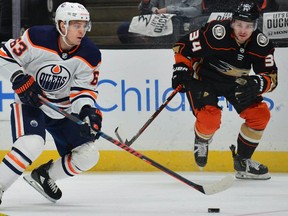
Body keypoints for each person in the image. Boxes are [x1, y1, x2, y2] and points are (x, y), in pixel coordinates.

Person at [0, 2, 103, 204]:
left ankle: (45, 176)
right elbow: (3, 55)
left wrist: (87, 111)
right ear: (62, 25)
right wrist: (18, 78)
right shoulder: (36, 37)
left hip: (62, 111)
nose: (81, 30)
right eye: (75, 25)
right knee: (32, 143)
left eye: (84, 25)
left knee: (89, 155)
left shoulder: (90, 53)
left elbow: (84, 90)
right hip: (31, 104)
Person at [171, 0, 277, 180]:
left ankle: (243, 162)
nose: (243, 30)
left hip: (236, 83)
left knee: (260, 115)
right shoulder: (215, 33)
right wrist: (181, 68)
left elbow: (272, 78)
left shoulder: (261, 44)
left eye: (248, 26)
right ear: (232, 22)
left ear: (255, 26)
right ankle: (202, 139)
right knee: (209, 119)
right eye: (239, 25)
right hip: (204, 78)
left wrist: (258, 83)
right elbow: (182, 47)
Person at [117, 0, 202, 44]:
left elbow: (196, 11)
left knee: (174, 22)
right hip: (156, 19)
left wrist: (169, 10)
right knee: (124, 28)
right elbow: (144, 10)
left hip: (180, 21)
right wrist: (146, 3)